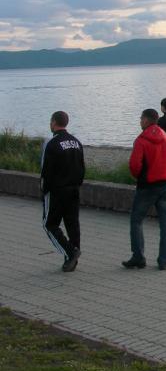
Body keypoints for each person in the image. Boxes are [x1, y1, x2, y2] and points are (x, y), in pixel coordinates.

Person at [122, 108, 166, 270]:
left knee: (136, 220)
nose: (140, 122)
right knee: (165, 223)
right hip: (165, 184)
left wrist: (138, 176)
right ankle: (164, 261)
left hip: (147, 186)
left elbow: (134, 165)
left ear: (146, 120)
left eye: (141, 119)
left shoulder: (141, 140)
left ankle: (138, 257)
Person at [40, 111, 85, 272]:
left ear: (54, 122)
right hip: (74, 189)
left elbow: (46, 170)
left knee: (49, 224)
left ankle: (69, 252)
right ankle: (72, 257)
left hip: (57, 191)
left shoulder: (51, 144)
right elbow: (82, 167)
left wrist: (44, 191)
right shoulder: (76, 142)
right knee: (72, 223)